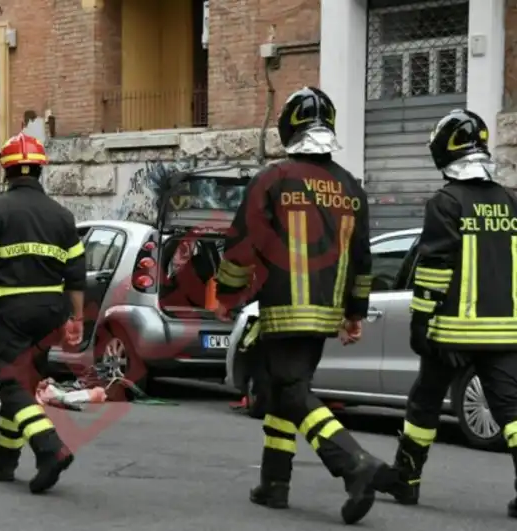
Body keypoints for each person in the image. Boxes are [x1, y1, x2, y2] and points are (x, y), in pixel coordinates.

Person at [213, 87, 389, 525]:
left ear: (289, 127)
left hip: (284, 305)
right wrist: (354, 313)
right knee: (279, 392)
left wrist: (226, 293)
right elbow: (364, 260)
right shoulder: (351, 187)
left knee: (291, 390)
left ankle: (355, 464)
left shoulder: (273, 179)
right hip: (325, 311)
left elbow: (242, 245)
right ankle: (275, 483)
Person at [377, 110, 517, 517]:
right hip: (505, 332)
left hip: (453, 331)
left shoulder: (445, 202)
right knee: (511, 411)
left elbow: (434, 270)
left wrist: (421, 323)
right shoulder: (510, 201)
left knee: (424, 403)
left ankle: (407, 478)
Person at [0, 132, 86, 494]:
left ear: (6, 171)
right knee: (25, 386)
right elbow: (76, 273)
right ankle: (5, 461)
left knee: (12, 385)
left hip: (12, 310)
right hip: (51, 314)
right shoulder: (62, 216)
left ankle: (49, 449)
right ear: (40, 171)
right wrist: (76, 318)